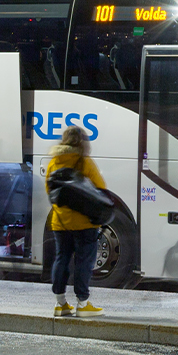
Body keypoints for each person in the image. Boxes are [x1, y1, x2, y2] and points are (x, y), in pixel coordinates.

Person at [46, 125, 106, 317]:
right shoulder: (84, 162)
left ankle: (60, 303)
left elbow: (50, 191)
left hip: (60, 222)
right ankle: (83, 304)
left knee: (61, 258)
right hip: (84, 223)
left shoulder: (54, 162)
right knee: (83, 262)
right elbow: (100, 188)